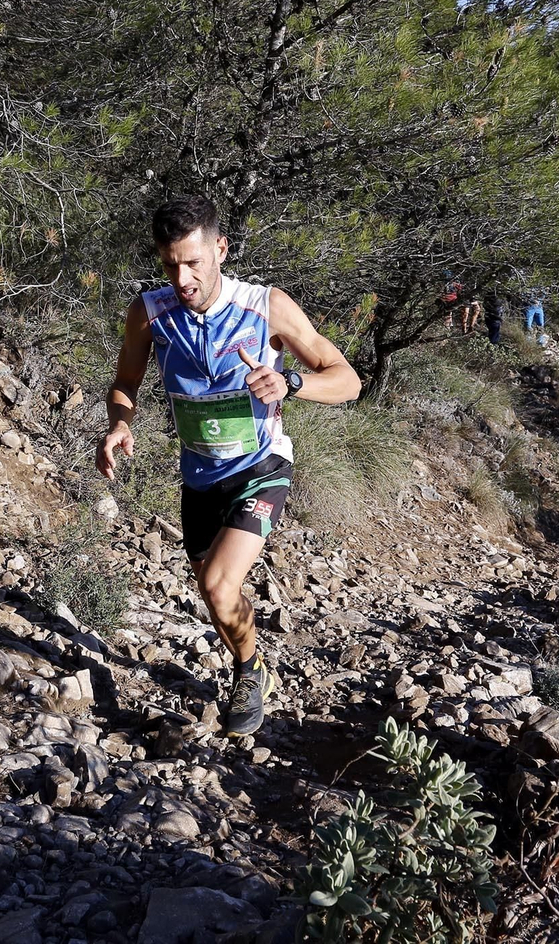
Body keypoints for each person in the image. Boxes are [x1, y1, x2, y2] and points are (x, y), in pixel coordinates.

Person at [97, 196, 362, 736]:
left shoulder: (266, 307)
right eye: (171, 264)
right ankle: (253, 662)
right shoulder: (149, 312)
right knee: (218, 600)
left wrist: (291, 383)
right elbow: (126, 381)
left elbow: (348, 380)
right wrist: (120, 423)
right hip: (199, 477)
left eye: (194, 262)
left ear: (220, 248)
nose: (183, 277)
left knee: (220, 585)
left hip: (261, 465)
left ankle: (244, 673)